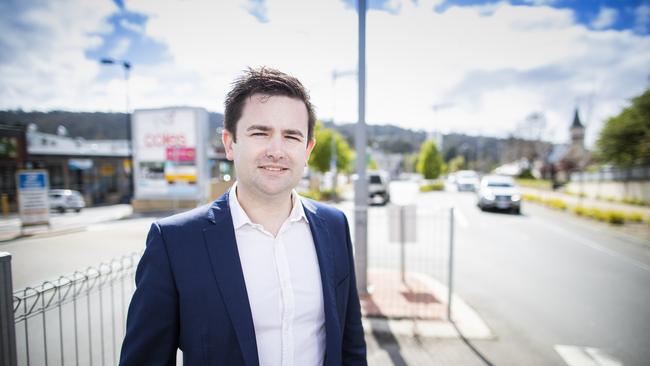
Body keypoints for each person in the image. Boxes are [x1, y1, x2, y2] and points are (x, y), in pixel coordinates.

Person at [119, 67, 367, 366]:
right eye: (260, 133)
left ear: (308, 149)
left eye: (291, 136)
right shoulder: (175, 243)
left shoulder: (334, 225)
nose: (276, 150)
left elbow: (350, 343)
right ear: (229, 143)